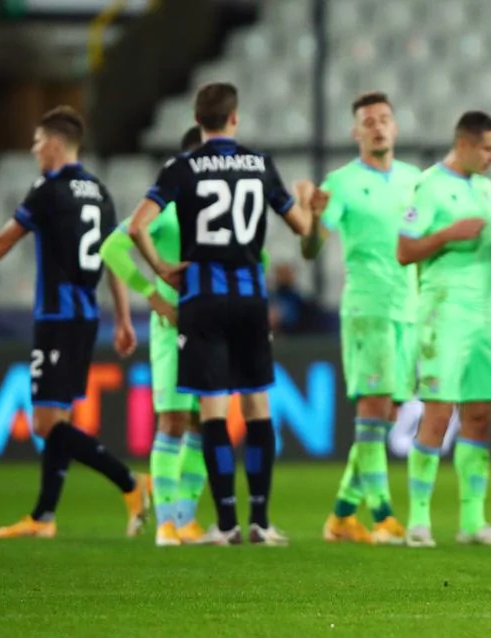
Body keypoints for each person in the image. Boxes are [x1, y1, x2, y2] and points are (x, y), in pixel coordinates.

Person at [128, 82, 327, 545]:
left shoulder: (181, 167)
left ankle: (225, 524)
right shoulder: (260, 165)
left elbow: (136, 227)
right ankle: (260, 521)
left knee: (213, 411)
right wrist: (311, 210)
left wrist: (161, 268)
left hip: (203, 300)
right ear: (235, 118)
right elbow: (306, 237)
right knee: (257, 408)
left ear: (198, 120)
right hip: (251, 300)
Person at [0, 106, 151, 539]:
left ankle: (131, 482)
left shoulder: (49, 190)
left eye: (37, 142)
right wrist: (123, 318)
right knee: (59, 420)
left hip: (58, 316)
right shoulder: (100, 192)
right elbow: (114, 258)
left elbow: (4, 239)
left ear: (55, 143)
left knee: (46, 425)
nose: (35, 149)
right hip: (86, 318)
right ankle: (44, 517)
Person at [396, 111, 491, 548]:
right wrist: (449, 233)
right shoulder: (429, 186)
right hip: (442, 314)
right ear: (464, 143)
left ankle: (472, 522)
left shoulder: (484, 189)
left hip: (482, 319)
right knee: (438, 413)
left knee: (480, 415)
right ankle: (418, 522)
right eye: (488, 148)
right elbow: (405, 250)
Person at [304, 91, 418, 545]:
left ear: (395, 127)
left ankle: (341, 516)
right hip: (368, 308)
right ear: (356, 132)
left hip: (408, 308)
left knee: (387, 412)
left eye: (384, 119)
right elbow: (312, 247)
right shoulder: (341, 182)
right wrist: (312, 219)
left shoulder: (413, 179)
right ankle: (383, 516)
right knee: (373, 407)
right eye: (368, 121)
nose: (377, 126)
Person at [101, 125, 218, 546]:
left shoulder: (220, 214)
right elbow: (112, 249)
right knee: (172, 421)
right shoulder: (167, 209)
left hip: (213, 329)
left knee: (204, 423)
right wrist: (152, 295)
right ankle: (167, 523)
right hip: (174, 330)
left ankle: (186, 518)